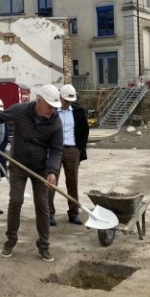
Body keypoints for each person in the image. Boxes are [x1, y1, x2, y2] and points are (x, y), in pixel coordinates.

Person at [0, 84, 63, 262]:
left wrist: (53, 171)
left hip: (41, 168)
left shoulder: (55, 122)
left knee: (42, 205)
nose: (52, 111)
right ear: (39, 101)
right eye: (50, 106)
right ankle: (11, 240)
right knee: (16, 201)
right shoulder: (20, 110)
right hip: (18, 164)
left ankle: (43, 245)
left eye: (55, 107)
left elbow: (56, 150)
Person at [49, 84, 90, 226]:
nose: (68, 103)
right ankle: (49, 214)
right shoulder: (53, 111)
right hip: (55, 150)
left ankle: (73, 213)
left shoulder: (78, 111)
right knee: (51, 182)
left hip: (73, 150)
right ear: (60, 97)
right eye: (66, 100)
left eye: (70, 101)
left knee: (72, 183)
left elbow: (85, 131)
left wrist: (79, 149)